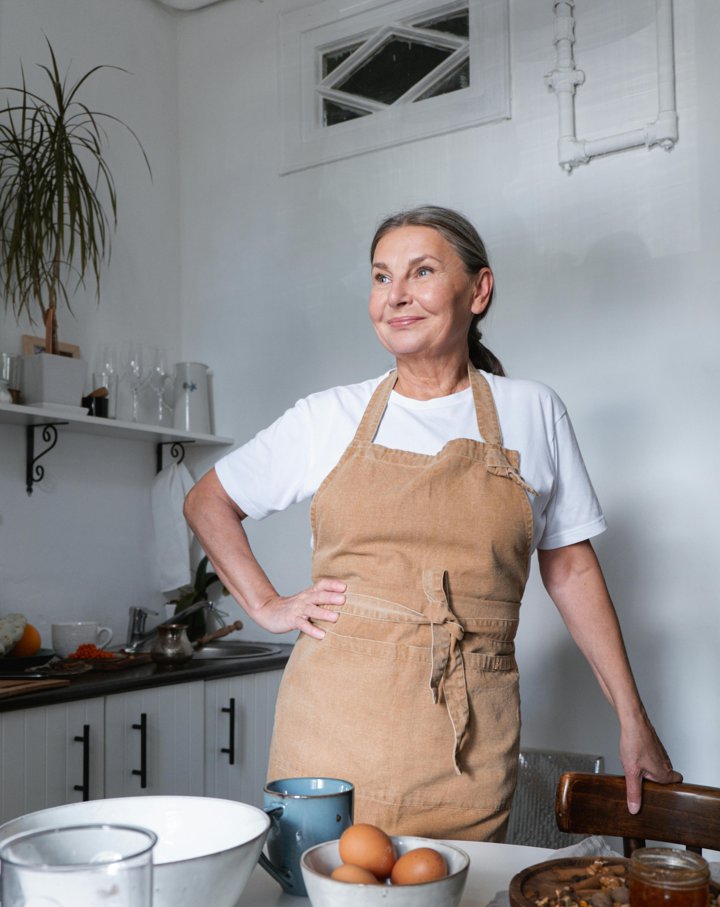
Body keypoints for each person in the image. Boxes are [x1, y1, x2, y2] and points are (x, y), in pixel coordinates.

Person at [184, 205, 681, 841]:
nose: (397, 297)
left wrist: (632, 718)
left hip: (469, 739)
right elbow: (208, 499)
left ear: (479, 290)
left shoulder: (532, 411)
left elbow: (571, 565)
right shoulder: (328, 416)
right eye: (381, 277)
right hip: (330, 728)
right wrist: (266, 603)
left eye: (421, 272)